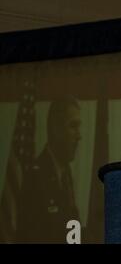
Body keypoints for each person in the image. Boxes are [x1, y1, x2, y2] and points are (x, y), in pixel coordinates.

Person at [17, 97, 81, 243]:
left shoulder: (64, 173)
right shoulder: (35, 177)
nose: (79, 135)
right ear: (56, 129)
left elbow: (71, 226)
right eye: (73, 126)